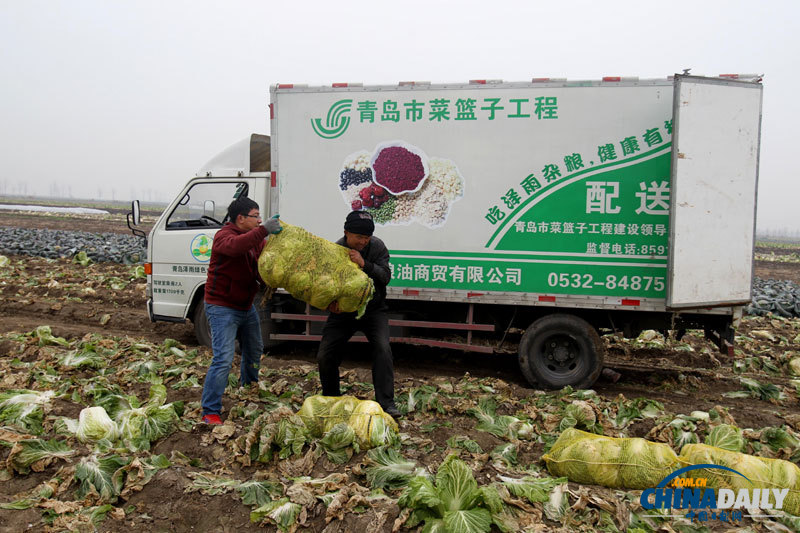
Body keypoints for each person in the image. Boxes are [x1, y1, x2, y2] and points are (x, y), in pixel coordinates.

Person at [200, 197, 282, 425]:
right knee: (224, 359)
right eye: (256, 216)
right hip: (222, 307)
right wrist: (264, 230)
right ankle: (210, 410)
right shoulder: (223, 237)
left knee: (255, 350)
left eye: (259, 217)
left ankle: (248, 387)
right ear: (240, 218)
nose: (259, 221)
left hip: (246, 306)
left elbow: (261, 264)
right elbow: (236, 248)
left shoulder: (255, 241)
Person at [316, 210, 401, 418]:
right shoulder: (336, 249)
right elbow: (326, 284)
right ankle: (331, 399)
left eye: (367, 237)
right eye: (359, 237)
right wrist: (330, 304)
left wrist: (364, 263)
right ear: (346, 233)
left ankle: (386, 404)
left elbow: (385, 277)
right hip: (344, 313)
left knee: (383, 349)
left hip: (374, 311)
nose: (364, 241)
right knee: (325, 355)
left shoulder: (378, 246)